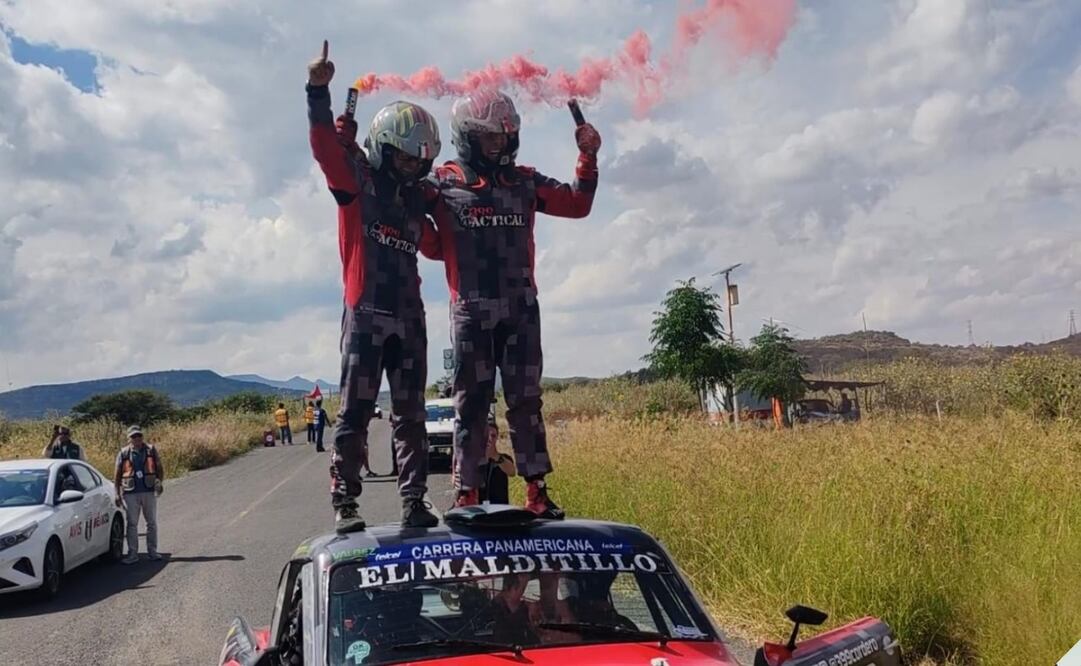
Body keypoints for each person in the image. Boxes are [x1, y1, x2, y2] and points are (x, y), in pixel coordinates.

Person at [429, 88, 601, 517]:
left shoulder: (525, 181)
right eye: (491, 137)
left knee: (526, 401)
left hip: (521, 309)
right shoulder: (442, 183)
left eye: (506, 136)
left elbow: (578, 204)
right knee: (470, 401)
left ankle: (536, 492)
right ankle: (466, 492)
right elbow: (403, 214)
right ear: (467, 136)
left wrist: (588, 156)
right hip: (471, 309)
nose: (500, 145)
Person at [307, 40, 442, 531]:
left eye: (418, 160)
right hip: (365, 313)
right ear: (384, 147)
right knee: (356, 413)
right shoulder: (356, 186)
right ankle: (345, 499)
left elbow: (436, 247)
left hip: (410, 319)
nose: (412, 166)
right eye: (404, 158)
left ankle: (415, 501)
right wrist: (318, 93)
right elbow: (325, 149)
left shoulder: (414, 201)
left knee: (411, 416)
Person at [113, 425, 164, 563]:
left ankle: (152, 552)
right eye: (134, 436)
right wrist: (117, 493)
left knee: (151, 523)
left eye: (139, 436)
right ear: (129, 438)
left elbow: (159, 467)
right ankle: (133, 554)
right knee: (132, 524)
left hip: (148, 490)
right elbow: (117, 475)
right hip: (130, 493)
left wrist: (159, 482)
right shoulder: (123, 453)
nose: (137, 439)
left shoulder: (151, 450)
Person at [478, 416, 515, 504]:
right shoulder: (473, 459)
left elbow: (512, 472)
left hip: (499, 509)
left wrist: (495, 456)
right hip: (478, 508)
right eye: (487, 435)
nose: (490, 439)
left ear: (497, 438)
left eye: (493, 436)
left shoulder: (504, 457)